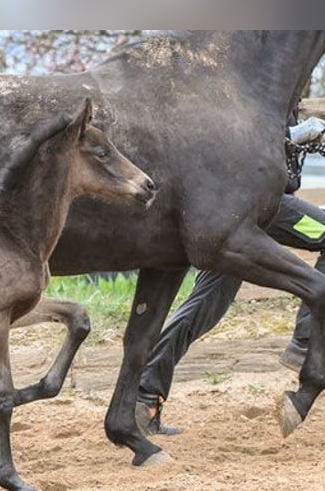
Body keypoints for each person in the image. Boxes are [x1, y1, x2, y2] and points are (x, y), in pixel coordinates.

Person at [136, 114, 325, 436]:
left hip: (236, 212)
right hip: (257, 207)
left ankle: (145, 396)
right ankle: (305, 342)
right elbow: (235, 140)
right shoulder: (253, 81)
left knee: (203, 308)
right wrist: (295, 133)